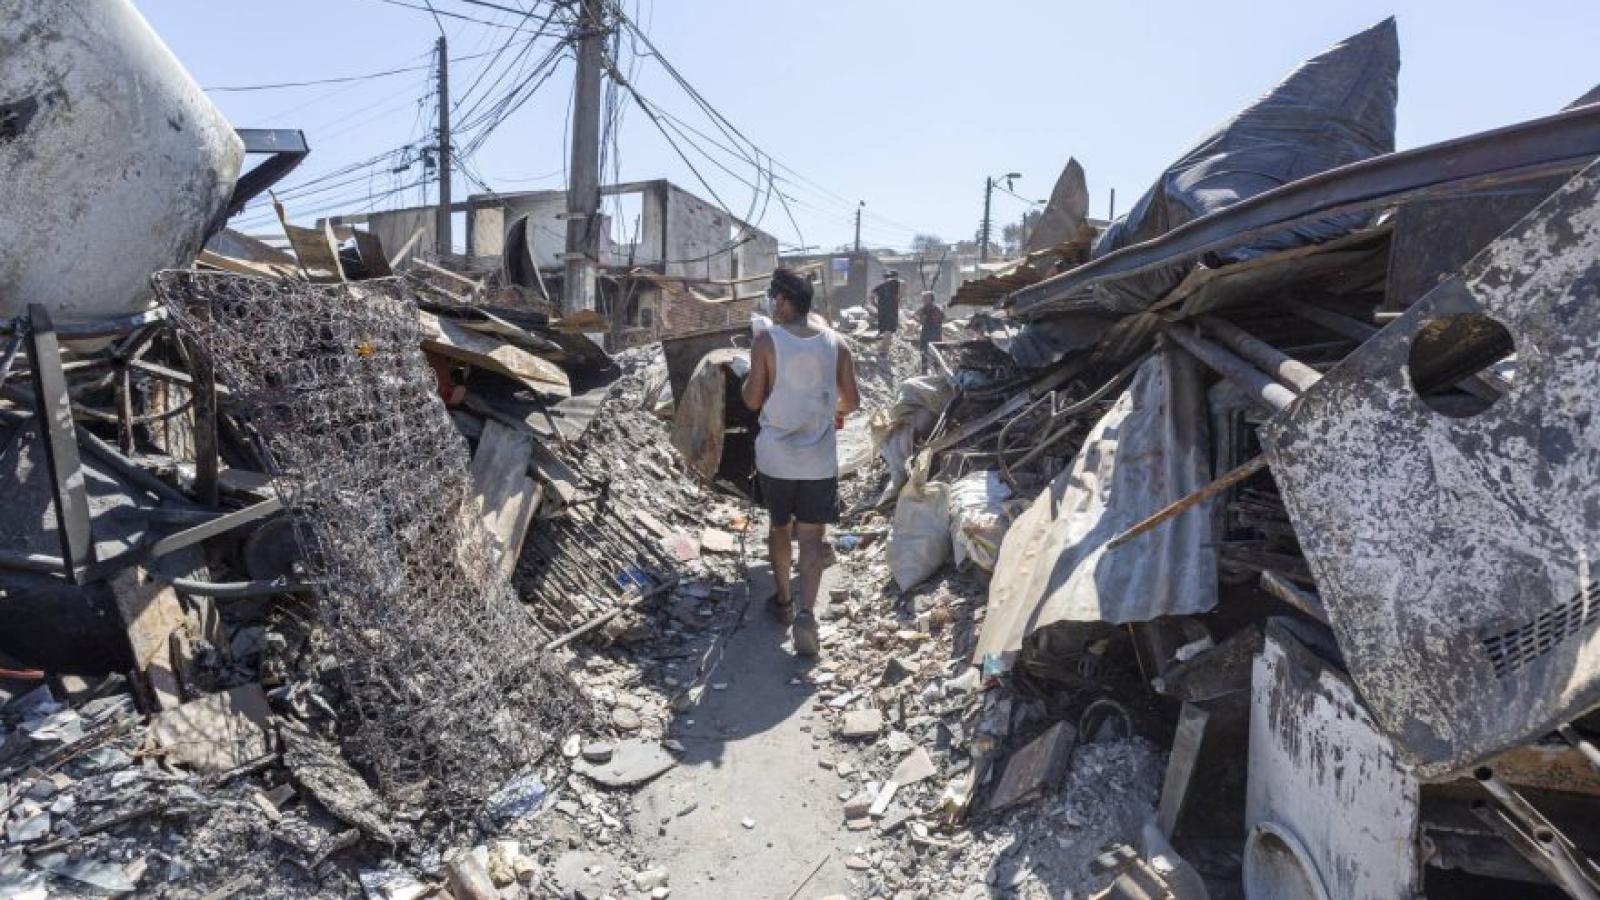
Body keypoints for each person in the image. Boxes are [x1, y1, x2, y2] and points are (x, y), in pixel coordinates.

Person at [741, 267, 860, 656]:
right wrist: (827, 411)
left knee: (779, 527)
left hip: (776, 459)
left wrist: (749, 379)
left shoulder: (766, 341)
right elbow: (852, 402)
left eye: (776, 297)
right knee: (812, 537)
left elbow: (752, 401)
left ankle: (784, 603)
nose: (772, 303)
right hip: (818, 460)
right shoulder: (838, 344)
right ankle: (807, 613)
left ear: (786, 301)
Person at [870, 269, 902, 353]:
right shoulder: (895, 282)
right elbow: (903, 285)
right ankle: (884, 350)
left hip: (882, 311)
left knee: (883, 329)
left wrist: (876, 306)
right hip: (891, 310)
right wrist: (898, 298)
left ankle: (881, 347)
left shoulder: (879, 285)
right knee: (889, 329)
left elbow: (871, 297)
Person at [914, 290, 944, 373]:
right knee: (936, 354)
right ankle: (938, 372)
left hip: (927, 335)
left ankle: (924, 372)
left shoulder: (926, 308)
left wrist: (917, 318)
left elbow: (921, 320)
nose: (923, 299)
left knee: (924, 353)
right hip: (937, 334)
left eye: (925, 298)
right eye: (923, 298)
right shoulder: (939, 308)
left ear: (930, 299)